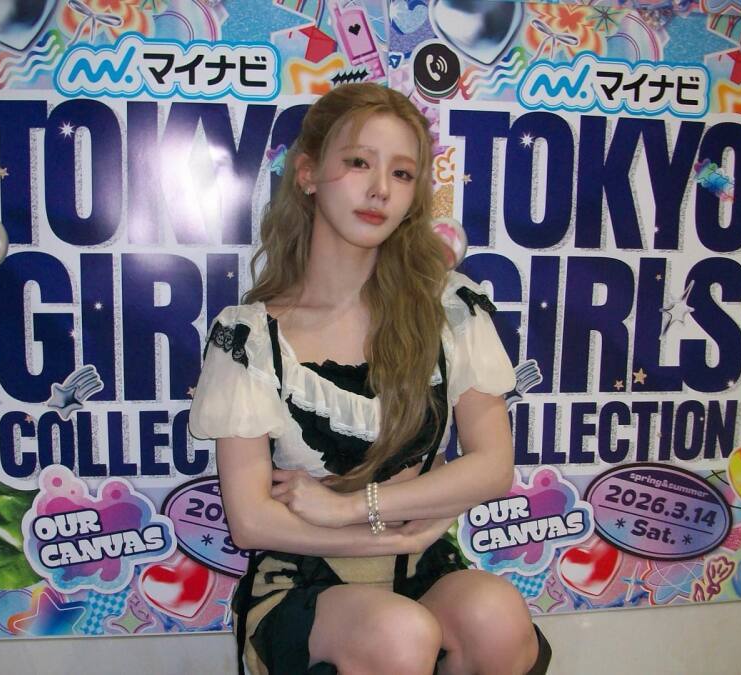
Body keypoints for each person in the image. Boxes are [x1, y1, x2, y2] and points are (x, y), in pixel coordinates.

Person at [189, 83, 551, 675]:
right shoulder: (250, 335)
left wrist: (352, 507)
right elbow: (251, 522)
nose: (380, 188)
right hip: (304, 582)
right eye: (359, 162)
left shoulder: (449, 308)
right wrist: (382, 536)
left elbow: (492, 467)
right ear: (308, 173)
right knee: (399, 633)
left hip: (420, 566)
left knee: (497, 616)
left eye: (402, 174)